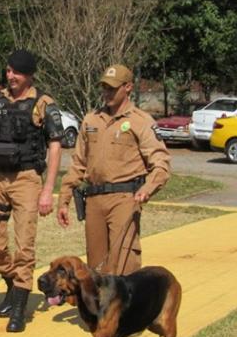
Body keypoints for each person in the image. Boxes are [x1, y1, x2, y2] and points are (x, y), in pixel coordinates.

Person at [0, 49, 64, 333]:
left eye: (16, 72)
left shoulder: (43, 103)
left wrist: (47, 190)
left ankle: (19, 308)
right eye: (8, 71)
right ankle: (12, 282)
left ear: (29, 75)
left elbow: (55, 145)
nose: (10, 76)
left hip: (27, 179)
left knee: (24, 247)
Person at [56, 64, 171, 275]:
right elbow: (78, 164)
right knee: (96, 267)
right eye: (104, 88)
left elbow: (160, 162)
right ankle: (101, 309)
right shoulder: (91, 120)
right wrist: (63, 199)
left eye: (112, 88)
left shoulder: (140, 121)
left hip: (125, 198)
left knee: (124, 263)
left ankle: (129, 308)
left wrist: (148, 188)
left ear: (128, 87)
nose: (107, 93)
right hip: (94, 200)